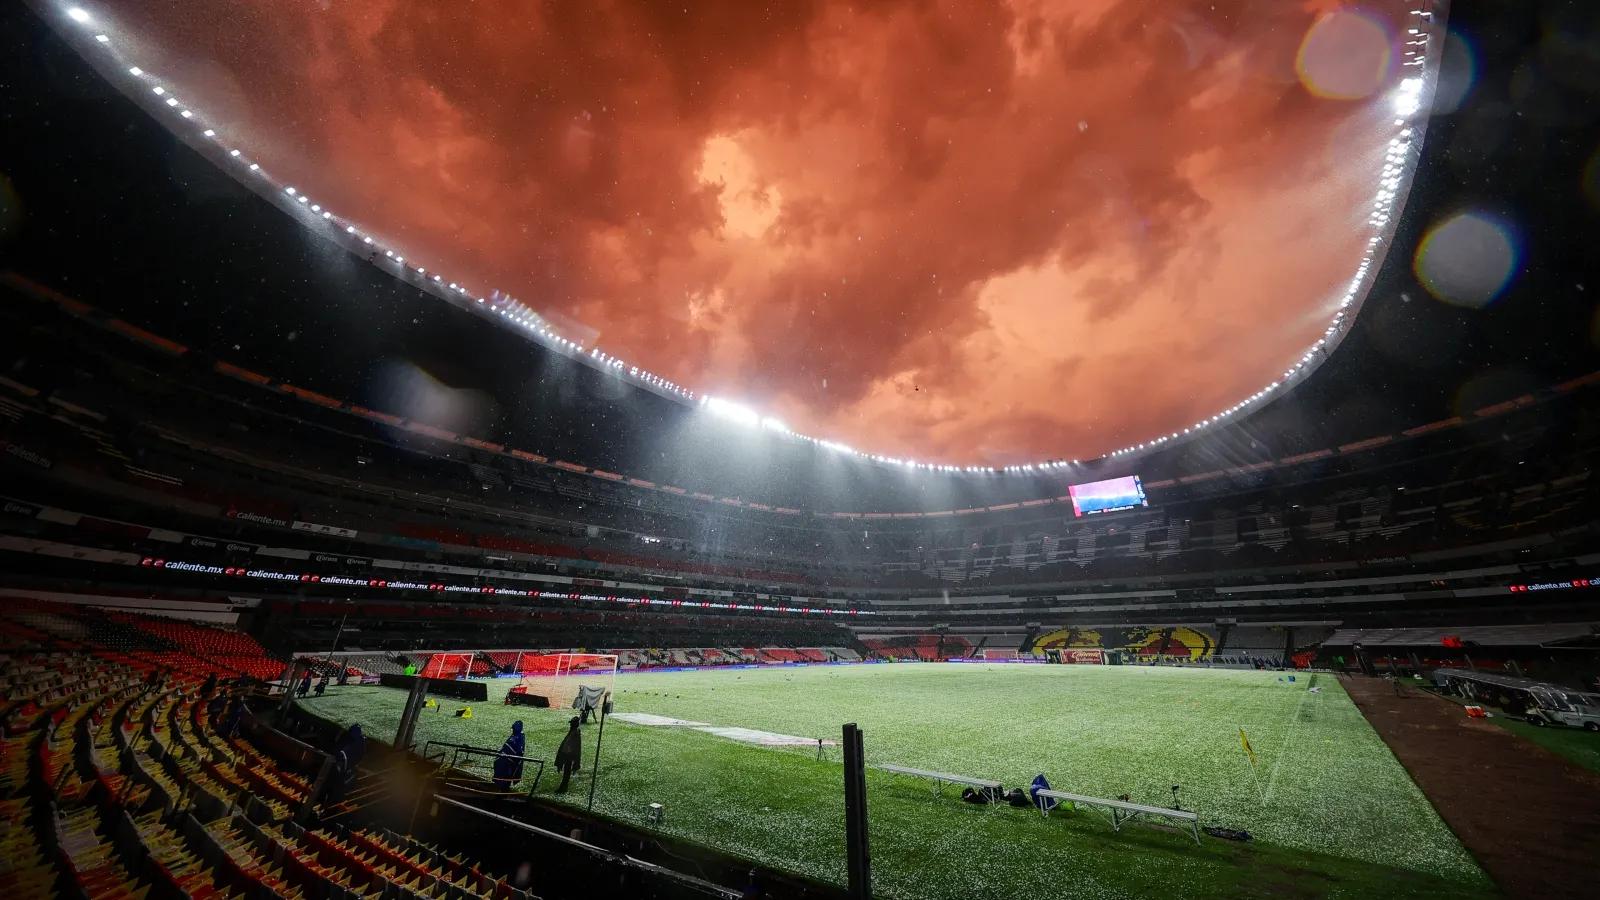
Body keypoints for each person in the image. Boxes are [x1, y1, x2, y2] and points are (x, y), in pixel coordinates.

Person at [323, 724, 365, 811]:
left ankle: (329, 805)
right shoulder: (359, 743)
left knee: (334, 789)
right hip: (341, 770)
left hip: (341, 770)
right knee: (335, 789)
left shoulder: (356, 743)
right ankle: (328, 805)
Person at [493, 721, 526, 791]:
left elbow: (519, 750)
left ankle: (503, 791)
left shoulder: (520, 735)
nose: (513, 730)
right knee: (501, 771)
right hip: (505, 758)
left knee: (506, 775)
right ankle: (500, 789)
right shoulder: (515, 734)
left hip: (510, 760)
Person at [554, 716, 582, 793]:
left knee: (567, 772)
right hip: (567, 754)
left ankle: (563, 788)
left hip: (569, 755)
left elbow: (575, 747)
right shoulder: (573, 732)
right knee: (566, 771)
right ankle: (563, 787)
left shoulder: (575, 733)